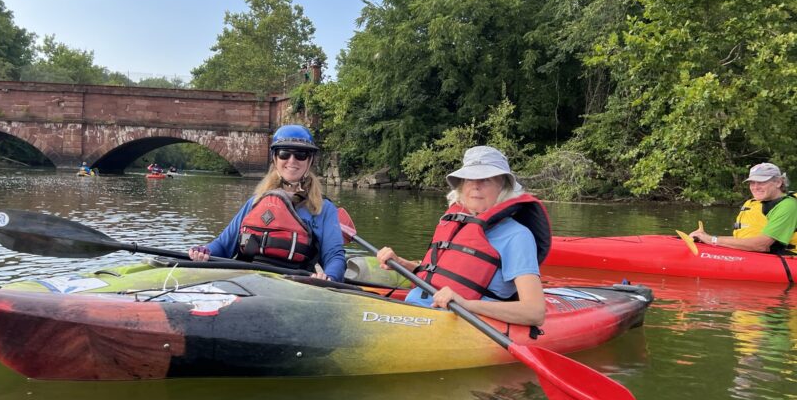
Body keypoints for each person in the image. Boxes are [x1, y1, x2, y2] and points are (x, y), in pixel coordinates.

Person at [375, 145, 551, 326]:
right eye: (469, 179)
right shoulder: (456, 222)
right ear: (461, 185)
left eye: (486, 179)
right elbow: (444, 275)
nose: (476, 186)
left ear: (503, 186)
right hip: (416, 311)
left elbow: (535, 312)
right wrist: (403, 264)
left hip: (457, 323)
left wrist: (466, 304)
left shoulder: (517, 236)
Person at [188, 124, 346, 281]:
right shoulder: (255, 202)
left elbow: (334, 257)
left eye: (300, 154)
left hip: (295, 285)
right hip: (246, 282)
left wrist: (329, 277)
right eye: (284, 153)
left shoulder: (323, 209)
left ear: (309, 160)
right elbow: (223, 246)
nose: (292, 160)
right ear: (275, 158)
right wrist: (204, 251)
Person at [690, 162, 797, 254]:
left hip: (785, 259)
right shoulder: (754, 203)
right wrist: (705, 238)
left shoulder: (788, 206)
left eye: (761, 182)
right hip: (759, 254)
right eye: (752, 183)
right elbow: (742, 240)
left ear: (778, 182)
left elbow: (761, 245)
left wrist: (711, 239)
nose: (755, 187)